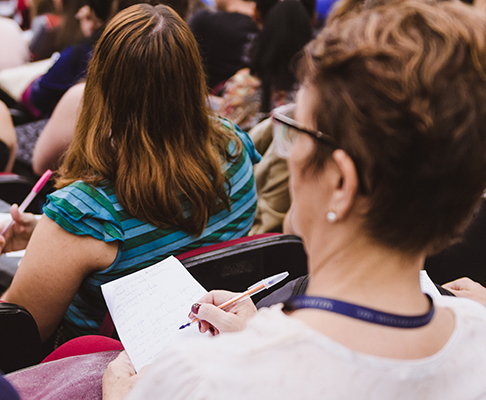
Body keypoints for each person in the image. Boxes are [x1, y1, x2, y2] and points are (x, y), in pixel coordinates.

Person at [103, 1, 486, 398]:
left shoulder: (202, 379)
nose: (291, 152)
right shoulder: (478, 336)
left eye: (296, 127)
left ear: (341, 181)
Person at [0, 3, 259, 346]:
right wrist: (44, 235)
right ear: (192, 75)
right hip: (200, 353)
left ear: (100, 86)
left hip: (102, 372)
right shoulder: (235, 148)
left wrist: (55, 237)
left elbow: (16, 340)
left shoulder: (85, 214)